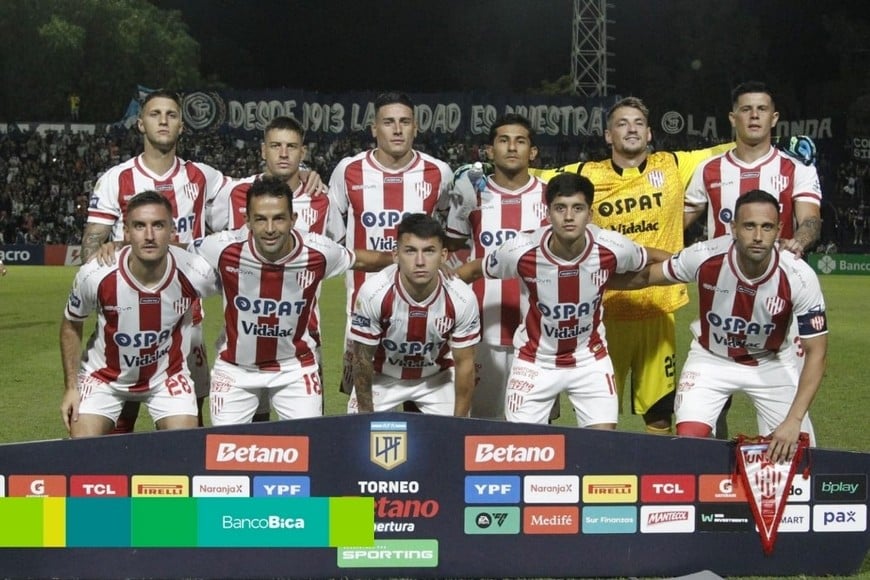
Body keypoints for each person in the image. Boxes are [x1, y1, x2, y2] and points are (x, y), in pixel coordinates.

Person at [533, 97, 731, 435]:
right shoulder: (586, 173)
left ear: (650, 133)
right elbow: (532, 177)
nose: (631, 129)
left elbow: (726, 151)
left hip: (657, 307)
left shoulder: (672, 165)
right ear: (608, 135)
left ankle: (657, 467)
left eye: (638, 123)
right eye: (622, 123)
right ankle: (601, 464)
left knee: (660, 412)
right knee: (599, 412)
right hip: (604, 311)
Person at [613, 190, 826, 462]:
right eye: (749, 226)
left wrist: (794, 420)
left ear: (779, 229)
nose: (758, 236)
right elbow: (647, 277)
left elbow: (817, 353)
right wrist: (596, 281)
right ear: (733, 228)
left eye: (767, 227)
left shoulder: (799, 276)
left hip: (770, 362)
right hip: (711, 359)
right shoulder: (705, 256)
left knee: (797, 451)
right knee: (690, 442)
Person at [456, 173, 660, 429]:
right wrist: (437, 287)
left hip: (590, 360)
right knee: (522, 444)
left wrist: (691, 265)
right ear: (548, 213)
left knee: (603, 443)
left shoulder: (612, 246)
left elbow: (653, 258)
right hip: (535, 362)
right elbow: (473, 270)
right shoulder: (521, 250)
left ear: (590, 214)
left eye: (578, 208)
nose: (569, 216)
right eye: (560, 208)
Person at [81, 89, 227, 432]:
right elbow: (91, 243)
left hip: (185, 320)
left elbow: (256, 191)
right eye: (155, 114)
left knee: (187, 420)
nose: (163, 121)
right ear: (140, 123)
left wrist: (303, 173)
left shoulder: (203, 177)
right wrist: (108, 253)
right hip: (125, 318)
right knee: (118, 419)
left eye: (171, 115)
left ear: (182, 126)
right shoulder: (116, 178)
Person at [683, 81, 823, 438]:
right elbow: (676, 223)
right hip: (721, 295)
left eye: (762, 109)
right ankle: (712, 461)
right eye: (746, 109)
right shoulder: (709, 170)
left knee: (789, 424)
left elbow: (810, 219)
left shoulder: (795, 169)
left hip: (777, 305)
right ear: (733, 118)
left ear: (774, 118)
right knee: (709, 409)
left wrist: (798, 241)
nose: (754, 116)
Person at [193, 176, 392, 425]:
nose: (270, 228)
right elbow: (176, 253)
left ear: (293, 219)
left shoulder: (318, 252)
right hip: (235, 369)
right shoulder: (222, 247)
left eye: (279, 218)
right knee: (223, 447)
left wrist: (407, 259)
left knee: (308, 444)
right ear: (247, 221)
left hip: (295, 368)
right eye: (260, 219)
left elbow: (361, 259)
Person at [60, 191, 219, 437]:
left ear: (172, 230)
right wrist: (71, 387)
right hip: (103, 378)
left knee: (184, 445)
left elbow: (238, 289)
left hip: (167, 378)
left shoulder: (194, 271)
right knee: (82, 447)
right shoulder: (96, 274)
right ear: (126, 232)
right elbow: (71, 324)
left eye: (158, 225)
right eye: (139, 226)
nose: (149, 235)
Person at [326, 92, 453, 397]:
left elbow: (450, 230)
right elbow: (336, 236)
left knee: (422, 396)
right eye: (388, 122)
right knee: (362, 403)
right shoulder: (348, 170)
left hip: (425, 309)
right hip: (362, 310)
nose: (397, 130)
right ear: (374, 128)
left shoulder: (439, 172)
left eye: (404, 122)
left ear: (415, 128)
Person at [210, 115, 330, 421]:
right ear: (263, 150)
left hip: (301, 337)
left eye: (292, 146)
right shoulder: (235, 192)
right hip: (244, 337)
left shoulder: (321, 199)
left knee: (309, 435)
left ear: (303, 152)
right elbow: (216, 242)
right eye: (276, 146)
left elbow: (335, 249)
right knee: (252, 429)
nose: (284, 153)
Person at [444, 113, 548, 419]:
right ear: (490, 151)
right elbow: (452, 248)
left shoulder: (551, 196)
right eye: (503, 141)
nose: (512, 147)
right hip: (482, 330)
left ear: (532, 152)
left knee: (533, 426)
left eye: (520, 141)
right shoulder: (471, 194)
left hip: (537, 332)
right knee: (480, 423)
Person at [348, 214, 480, 416]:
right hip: (382, 377)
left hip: (436, 379)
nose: (420, 261)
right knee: (361, 433)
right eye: (410, 251)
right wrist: (366, 417)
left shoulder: (462, 297)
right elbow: (362, 359)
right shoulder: (373, 293)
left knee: (453, 434)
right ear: (396, 255)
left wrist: (459, 424)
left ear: (443, 255)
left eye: (429, 251)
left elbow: (465, 364)